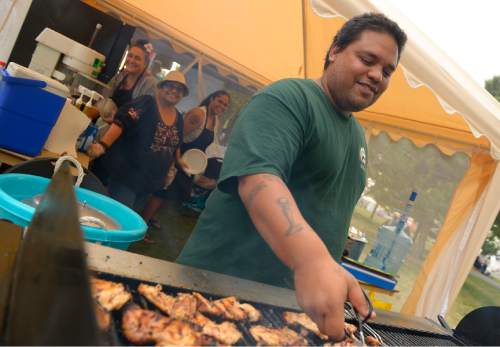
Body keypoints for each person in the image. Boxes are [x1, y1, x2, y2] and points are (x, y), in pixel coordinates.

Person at [177, 13, 407, 341]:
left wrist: (331, 267)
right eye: (367, 59)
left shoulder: (357, 137)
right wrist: (312, 261)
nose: (376, 75)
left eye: (387, 71)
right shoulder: (288, 99)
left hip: (283, 315)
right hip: (213, 292)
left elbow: (325, 211)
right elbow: (258, 179)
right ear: (335, 50)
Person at [87, 70, 189, 208]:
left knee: (129, 220)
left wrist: (177, 163)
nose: (174, 91)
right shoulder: (146, 103)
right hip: (127, 176)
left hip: (151, 182)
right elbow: (121, 122)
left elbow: (175, 144)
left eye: (179, 89)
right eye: (170, 86)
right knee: (118, 218)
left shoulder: (179, 119)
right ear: (161, 87)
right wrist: (103, 145)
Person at [141, 90, 230, 227]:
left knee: (170, 194)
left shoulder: (215, 121)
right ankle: (143, 224)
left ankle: (150, 217)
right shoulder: (198, 114)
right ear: (211, 99)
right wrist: (177, 160)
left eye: (225, 105)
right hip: (177, 157)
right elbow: (177, 137)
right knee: (161, 192)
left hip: (189, 162)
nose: (222, 106)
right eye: (219, 101)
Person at [90, 39, 158, 184]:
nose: (131, 60)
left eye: (137, 58)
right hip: (103, 134)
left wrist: (115, 119)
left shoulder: (150, 83)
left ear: (146, 63)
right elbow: (103, 99)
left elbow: (138, 115)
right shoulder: (121, 76)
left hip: (124, 145)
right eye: (130, 55)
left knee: (102, 182)